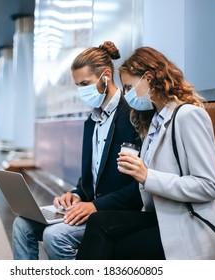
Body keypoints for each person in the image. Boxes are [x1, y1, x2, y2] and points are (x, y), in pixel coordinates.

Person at [77, 46, 215, 260]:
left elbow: (209, 186)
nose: (128, 95)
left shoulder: (188, 115)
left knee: (109, 243)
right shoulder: (154, 121)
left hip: (192, 225)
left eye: (130, 87)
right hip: (164, 218)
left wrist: (147, 176)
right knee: (99, 223)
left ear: (149, 78)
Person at [12, 41, 143, 260]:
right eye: (78, 85)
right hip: (91, 206)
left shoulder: (132, 117)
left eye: (85, 83)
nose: (81, 91)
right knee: (22, 225)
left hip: (117, 212)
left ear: (106, 76)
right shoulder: (91, 122)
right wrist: (73, 196)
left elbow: (137, 188)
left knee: (55, 236)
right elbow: (89, 182)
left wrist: (94, 205)